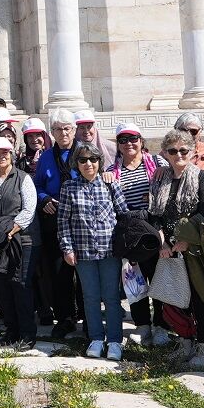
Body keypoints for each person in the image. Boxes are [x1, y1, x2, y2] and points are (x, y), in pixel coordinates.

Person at [147, 131, 204, 369]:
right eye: (172, 151)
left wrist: (186, 239)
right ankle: (184, 341)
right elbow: (155, 214)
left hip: (194, 247)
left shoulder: (200, 176)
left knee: (199, 298)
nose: (178, 155)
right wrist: (164, 242)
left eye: (183, 150)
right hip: (169, 248)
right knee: (176, 298)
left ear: (191, 152)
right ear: (165, 153)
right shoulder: (160, 178)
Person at [57, 146, 128, 360]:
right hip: (83, 252)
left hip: (109, 252)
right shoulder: (69, 187)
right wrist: (67, 248)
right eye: (83, 160)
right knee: (90, 297)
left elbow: (123, 213)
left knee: (112, 297)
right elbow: (63, 222)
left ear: (99, 161)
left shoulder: (109, 183)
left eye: (93, 159)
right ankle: (96, 338)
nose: (89, 164)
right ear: (77, 165)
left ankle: (115, 340)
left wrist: (114, 184)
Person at [0, 137, 39, 352]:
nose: (1, 156)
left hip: (22, 240)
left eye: (5, 152)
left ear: (12, 154)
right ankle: (11, 330)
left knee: (20, 286)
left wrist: (10, 230)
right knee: (2, 287)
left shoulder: (22, 178)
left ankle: (27, 334)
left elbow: (29, 209)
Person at [107, 123, 166, 345]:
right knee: (134, 280)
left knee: (158, 278)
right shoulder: (112, 171)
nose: (129, 144)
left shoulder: (157, 163)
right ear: (118, 145)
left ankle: (161, 325)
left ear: (141, 141)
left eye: (133, 139)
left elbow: (166, 189)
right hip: (129, 229)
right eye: (123, 140)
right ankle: (142, 326)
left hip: (152, 225)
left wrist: (150, 201)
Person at [32, 110, 81, 338]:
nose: (63, 133)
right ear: (52, 132)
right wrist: (44, 200)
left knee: (84, 271)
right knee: (59, 271)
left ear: (74, 130)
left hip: (81, 220)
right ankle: (65, 317)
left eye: (67, 128)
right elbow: (38, 186)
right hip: (55, 220)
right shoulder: (46, 157)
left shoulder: (85, 152)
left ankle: (88, 317)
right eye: (58, 129)